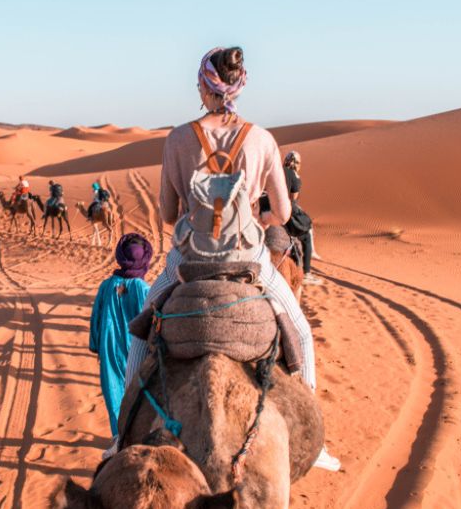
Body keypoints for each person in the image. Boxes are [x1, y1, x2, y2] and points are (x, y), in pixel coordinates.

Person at [121, 45, 339, 471]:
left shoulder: (179, 138)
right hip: (249, 263)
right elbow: (283, 213)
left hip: (186, 265)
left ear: (204, 86)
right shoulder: (262, 139)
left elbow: (167, 214)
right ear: (239, 87)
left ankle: (119, 435)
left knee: (139, 335)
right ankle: (316, 447)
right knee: (300, 331)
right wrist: (252, 213)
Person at [90, 233, 153, 456]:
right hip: (139, 347)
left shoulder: (107, 286)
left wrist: (96, 344)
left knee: (113, 389)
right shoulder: (144, 289)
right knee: (138, 390)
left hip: (110, 345)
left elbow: (96, 316)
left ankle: (119, 435)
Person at [283, 151, 320, 285]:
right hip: (284, 209)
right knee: (307, 229)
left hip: (264, 206)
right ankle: (307, 272)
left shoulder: (277, 170)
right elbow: (293, 198)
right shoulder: (294, 175)